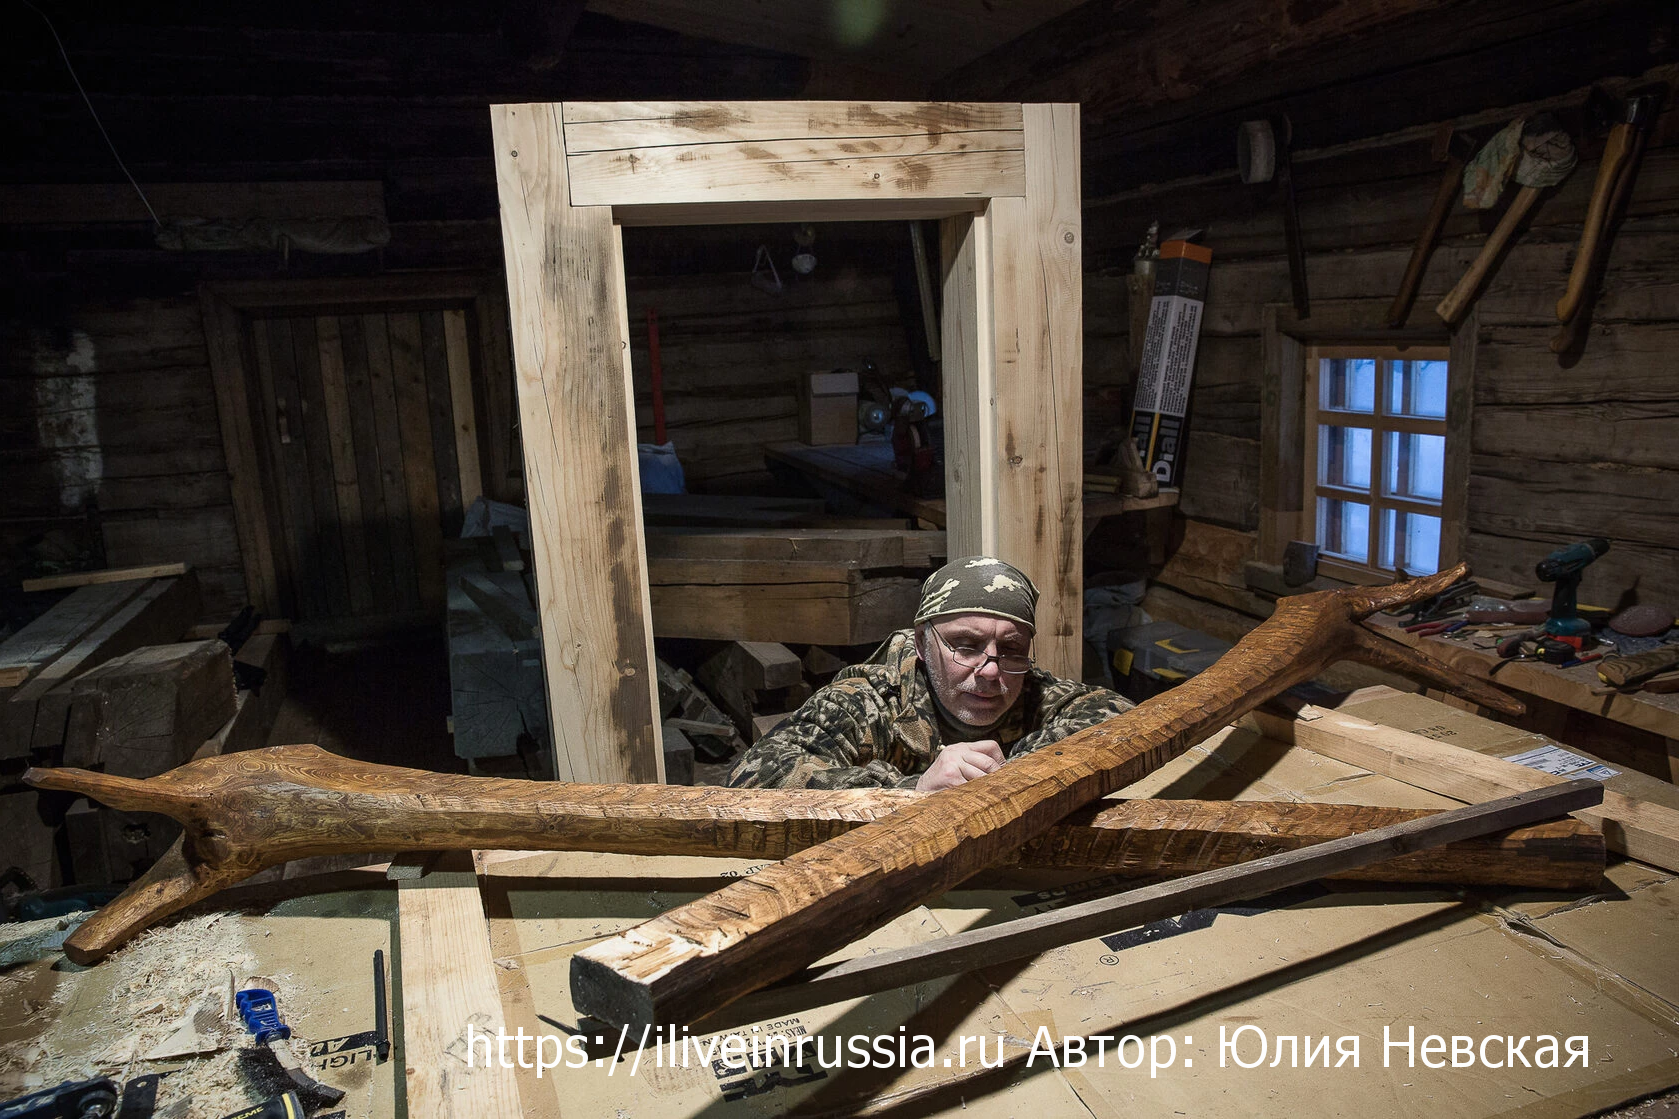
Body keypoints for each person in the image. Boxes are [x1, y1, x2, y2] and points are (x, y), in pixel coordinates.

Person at [727, 556, 1134, 791]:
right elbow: (753, 778)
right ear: (922, 643)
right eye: (965, 646)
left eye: (1010, 649)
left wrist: (1014, 773)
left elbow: (1121, 717)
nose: (991, 670)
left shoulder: (1032, 688)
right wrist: (913, 790)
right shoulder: (868, 700)